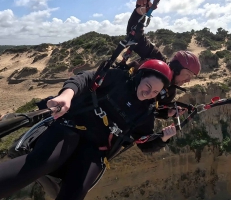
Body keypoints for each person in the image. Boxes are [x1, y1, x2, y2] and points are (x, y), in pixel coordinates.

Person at [0, 59, 177, 200]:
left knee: (78, 190)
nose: (148, 94)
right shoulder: (118, 79)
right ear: (139, 77)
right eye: (147, 86)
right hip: (71, 129)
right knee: (40, 163)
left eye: (155, 92)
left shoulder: (145, 112)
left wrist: (162, 139)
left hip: (95, 149)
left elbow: (143, 142)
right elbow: (83, 79)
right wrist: (66, 96)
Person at [125, 0, 202, 119]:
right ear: (177, 68)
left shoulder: (170, 92)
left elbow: (152, 111)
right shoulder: (157, 59)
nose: (188, 81)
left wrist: (167, 113)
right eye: (187, 74)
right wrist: (139, 12)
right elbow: (135, 37)